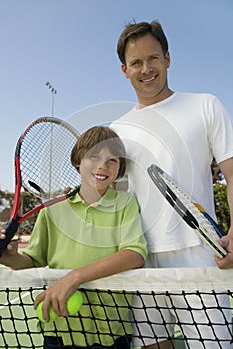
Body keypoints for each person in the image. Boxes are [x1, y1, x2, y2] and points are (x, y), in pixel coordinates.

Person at [111, 20, 233, 348]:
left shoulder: (205, 105)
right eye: (136, 62)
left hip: (203, 256)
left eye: (153, 58)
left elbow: (232, 174)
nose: (146, 68)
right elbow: (115, 195)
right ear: (125, 70)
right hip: (144, 259)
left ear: (167, 58)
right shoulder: (118, 129)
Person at [0, 126, 147, 349]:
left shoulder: (125, 203)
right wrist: (8, 258)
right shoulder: (52, 209)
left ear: (120, 168)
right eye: (94, 156)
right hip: (58, 327)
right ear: (78, 161)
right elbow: (32, 261)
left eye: (112, 160)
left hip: (111, 329)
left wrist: (75, 277)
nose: (102, 166)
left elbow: (134, 254)